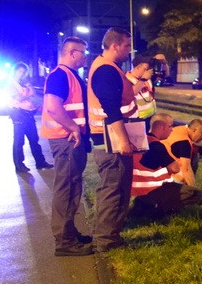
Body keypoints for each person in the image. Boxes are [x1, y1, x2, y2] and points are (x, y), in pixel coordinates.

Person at [40, 37, 93, 256]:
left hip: (70, 140)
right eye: (83, 52)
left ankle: (69, 233)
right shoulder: (60, 75)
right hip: (66, 140)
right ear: (72, 53)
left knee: (72, 187)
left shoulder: (69, 75)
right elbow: (53, 106)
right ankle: (64, 242)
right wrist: (73, 128)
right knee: (66, 188)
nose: (85, 56)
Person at [87, 27, 138, 252]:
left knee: (117, 187)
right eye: (127, 45)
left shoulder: (108, 68)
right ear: (115, 45)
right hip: (110, 141)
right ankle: (106, 240)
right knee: (112, 189)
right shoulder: (106, 70)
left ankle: (111, 236)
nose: (129, 50)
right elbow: (111, 109)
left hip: (110, 138)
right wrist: (124, 141)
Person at [129, 113, 202, 220]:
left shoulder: (140, 141)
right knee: (194, 193)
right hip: (152, 189)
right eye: (170, 126)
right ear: (161, 127)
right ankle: (157, 211)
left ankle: (144, 206)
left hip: (135, 189)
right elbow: (175, 168)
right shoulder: (157, 145)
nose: (172, 129)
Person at [10, 62, 52, 172]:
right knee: (19, 141)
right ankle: (19, 166)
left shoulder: (25, 83)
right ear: (15, 71)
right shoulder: (11, 84)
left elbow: (32, 93)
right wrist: (27, 94)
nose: (22, 74)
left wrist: (28, 86)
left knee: (34, 139)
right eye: (20, 71)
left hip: (29, 114)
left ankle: (40, 162)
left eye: (24, 72)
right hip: (18, 114)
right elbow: (17, 98)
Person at [158, 118, 202, 187]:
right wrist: (194, 191)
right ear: (194, 130)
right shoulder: (184, 143)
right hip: (171, 177)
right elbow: (186, 170)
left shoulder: (179, 129)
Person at [126, 54, 156, 131]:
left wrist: (163, 63)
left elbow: (165, 75)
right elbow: (131, 93)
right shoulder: (127, 79)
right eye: (145, 69)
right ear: (137, 67)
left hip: (148, 117)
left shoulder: (147, 79)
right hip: (135, 120)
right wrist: (143, 79)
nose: (148, 71)